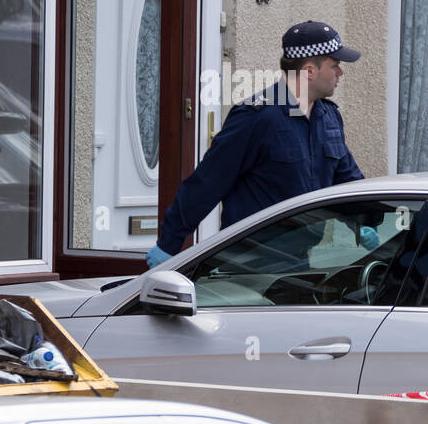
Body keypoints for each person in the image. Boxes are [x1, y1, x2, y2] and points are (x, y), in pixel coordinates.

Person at [147, 20, 377, 267]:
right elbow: (207, 183)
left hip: (299, 261)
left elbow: (347, 180)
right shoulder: (257, 117)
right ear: (310, 70)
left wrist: (368, 219)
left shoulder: (328, 116)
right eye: (335, 65)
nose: (340, 73)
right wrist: (168, 245)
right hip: (249, 263)